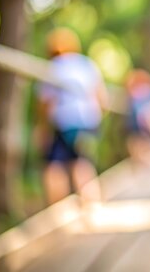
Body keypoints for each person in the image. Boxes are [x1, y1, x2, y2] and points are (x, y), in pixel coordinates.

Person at [34, 27, 107, 206]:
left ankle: (58, 210)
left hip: (64, 124)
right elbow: (102, 99)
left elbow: (45, 104)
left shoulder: (53, 68)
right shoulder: (87, 65)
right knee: (82, 165)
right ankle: (93, 206)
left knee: (54, 168)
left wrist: (43, 129)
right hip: (88, 123)